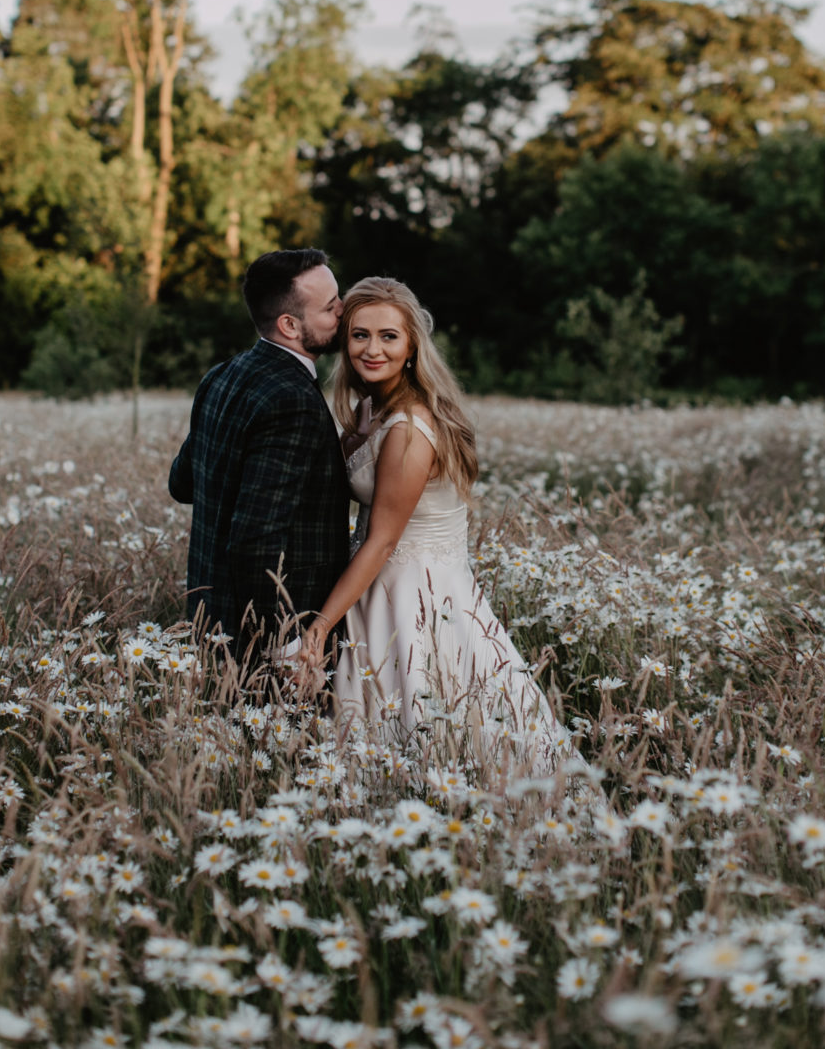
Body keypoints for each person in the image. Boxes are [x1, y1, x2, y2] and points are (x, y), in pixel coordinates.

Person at [299, 276, 561, 759]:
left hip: (415, 597)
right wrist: (353, 444)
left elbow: (380, 540)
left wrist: (318, 628)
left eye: (388, 336)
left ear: (413, 347)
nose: (372, 349)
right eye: (360, 335)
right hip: (376, 586)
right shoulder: (374, 409)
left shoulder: (410, 428)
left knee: (433, 726)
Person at [169, 249, 351, 662]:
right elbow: (254, 539)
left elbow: (181, 484)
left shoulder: (221, 375)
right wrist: (286, 645)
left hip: (209, 621)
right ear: (289, 325)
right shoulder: (293, 400)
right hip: (272, 638)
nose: (344, 310)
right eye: (330, 306)